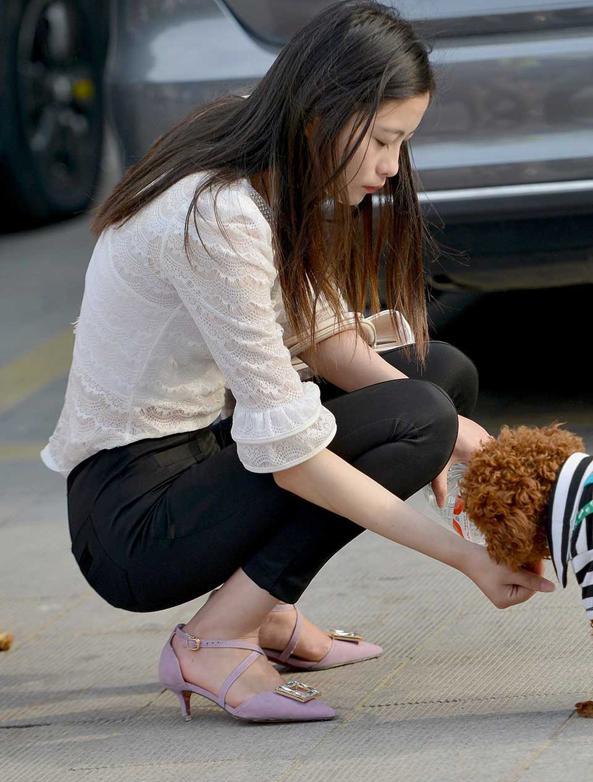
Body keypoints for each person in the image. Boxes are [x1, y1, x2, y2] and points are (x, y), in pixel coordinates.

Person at [40, 0, 557, 724]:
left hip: (193, 468)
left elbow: (321, 341)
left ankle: (268, 615)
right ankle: (214, 640)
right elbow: (292, 458)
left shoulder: (261, 158)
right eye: (382, 140)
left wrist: (493, 451)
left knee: (435, 378)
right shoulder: (218, 212)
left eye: (401, 143)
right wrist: (465, 556)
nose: (390, 167)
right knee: (416, 416)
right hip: (132, 520)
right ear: (324, 113)